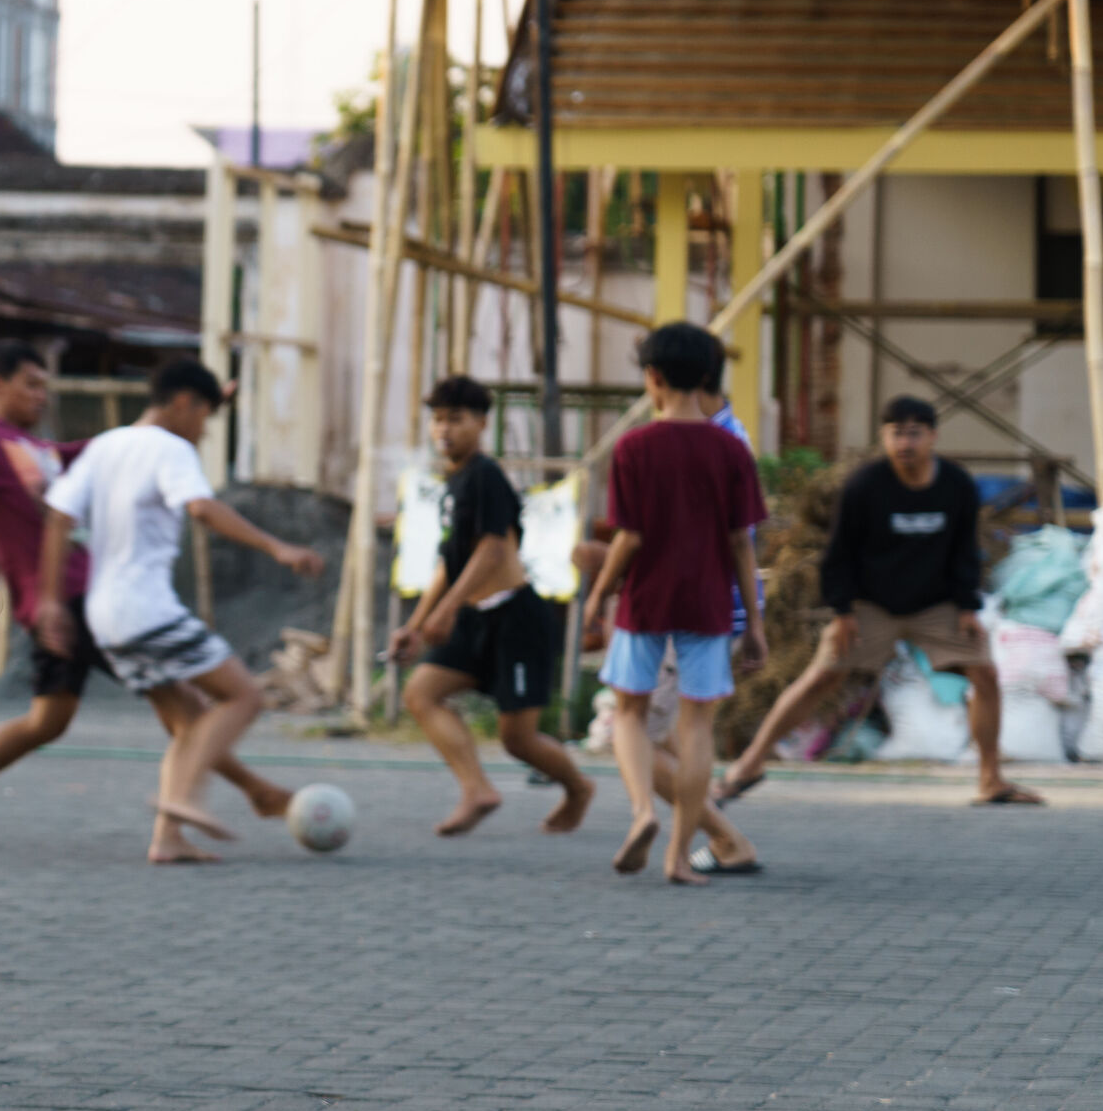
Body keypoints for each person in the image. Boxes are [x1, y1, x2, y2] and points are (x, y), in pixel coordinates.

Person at [0, 341, 295, 845]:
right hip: (64, 603)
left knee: (52, 721)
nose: (42, 396)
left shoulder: (42, 449)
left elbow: (126, 445)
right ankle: (249, 794)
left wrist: (199, 398)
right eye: (31, 384)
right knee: (186, 703)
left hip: (88, 598)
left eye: (46, 386)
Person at [35, 358, 326, 863]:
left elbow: (58, 517)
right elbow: (201, 508)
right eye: (206, 417)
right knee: (244, 698)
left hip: (104, 617)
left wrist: (49, 600)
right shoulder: (171, 448)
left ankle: (168, 838)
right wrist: (277, 547)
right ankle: (185, 797)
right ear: (183, 403)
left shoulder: (106, 446)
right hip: (146, 608)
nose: (204, 431)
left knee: (191, 722)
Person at [715, 394, 1043, 808]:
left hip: (936, 607)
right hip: (871, 607)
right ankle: (749, 764)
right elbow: (839, 555)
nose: (905, 443)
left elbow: (964, 551)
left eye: (914, 434)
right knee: (821, 677)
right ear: (883, 437)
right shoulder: (865, 486)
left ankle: (991, 778)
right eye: (895, 433)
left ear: (932, 437)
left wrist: (966, 608)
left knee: (986, 674)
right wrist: (843, 611)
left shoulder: (955, 485)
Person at [583, 323, 769, 884]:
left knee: (630, 715)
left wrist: (598, 593)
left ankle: (643, 813)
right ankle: (680, 857)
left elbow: (630, 537)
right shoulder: (732, 448)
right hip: (709, 602)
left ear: (653, 377)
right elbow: (742, 542)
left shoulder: (633, 447)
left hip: (646, 600)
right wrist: (755, 623)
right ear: (707, 376)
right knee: (696, 730)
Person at [391, 374, 594, 837]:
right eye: (438, 421)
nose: (444, 430)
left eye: (456, 420)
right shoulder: (453, 481)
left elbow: (493, 550)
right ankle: (476, 789)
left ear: (482, 423)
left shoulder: (485, 476)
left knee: (517, 739)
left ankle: (578, 787)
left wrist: (446, 612)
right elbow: (449, 561)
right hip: (474, 620)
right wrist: (417, 625)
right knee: (421, 693)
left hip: (516, 620)